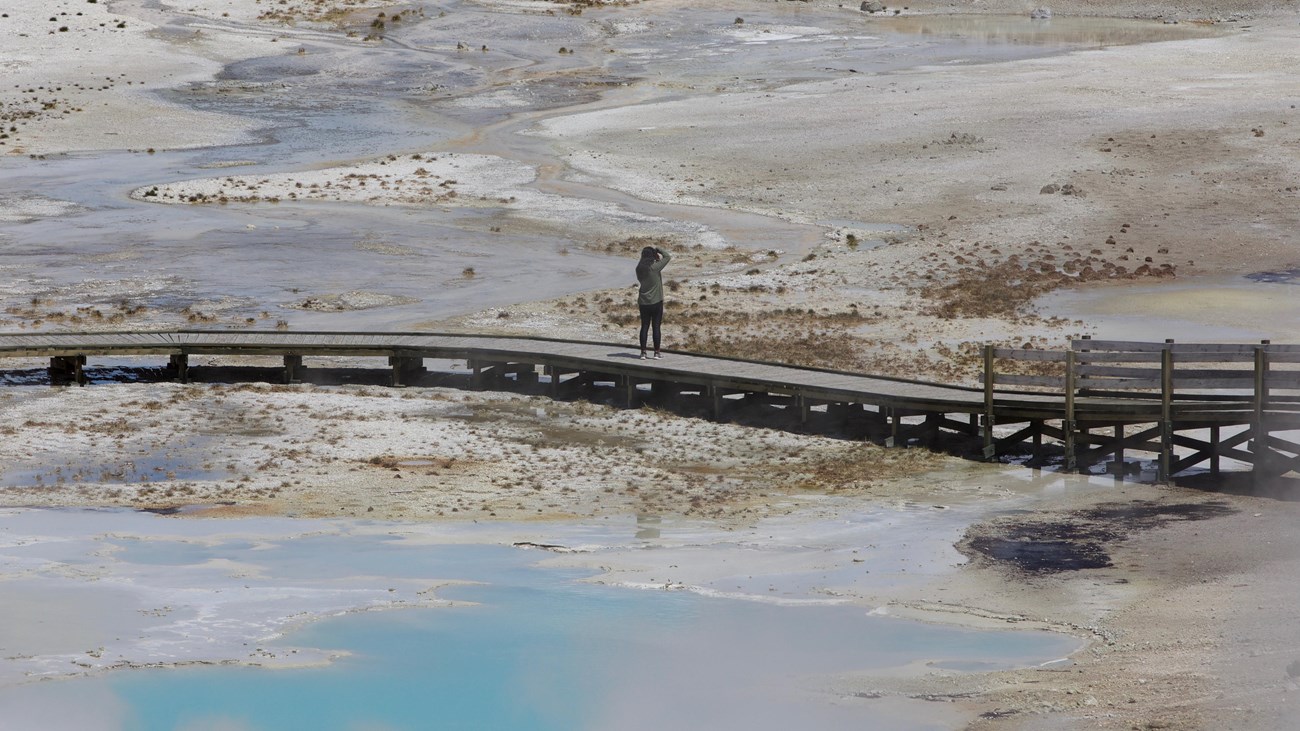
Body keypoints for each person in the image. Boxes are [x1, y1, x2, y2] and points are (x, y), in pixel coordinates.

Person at [635, 245, 671, 359]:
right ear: (652, 256)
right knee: (656, 327)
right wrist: (658, 249)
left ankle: (643, 353)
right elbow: (667, 257)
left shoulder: (639, 269)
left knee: (644, 326)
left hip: (643, 302)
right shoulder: (654, 268)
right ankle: (656, 352)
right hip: (656, 301)